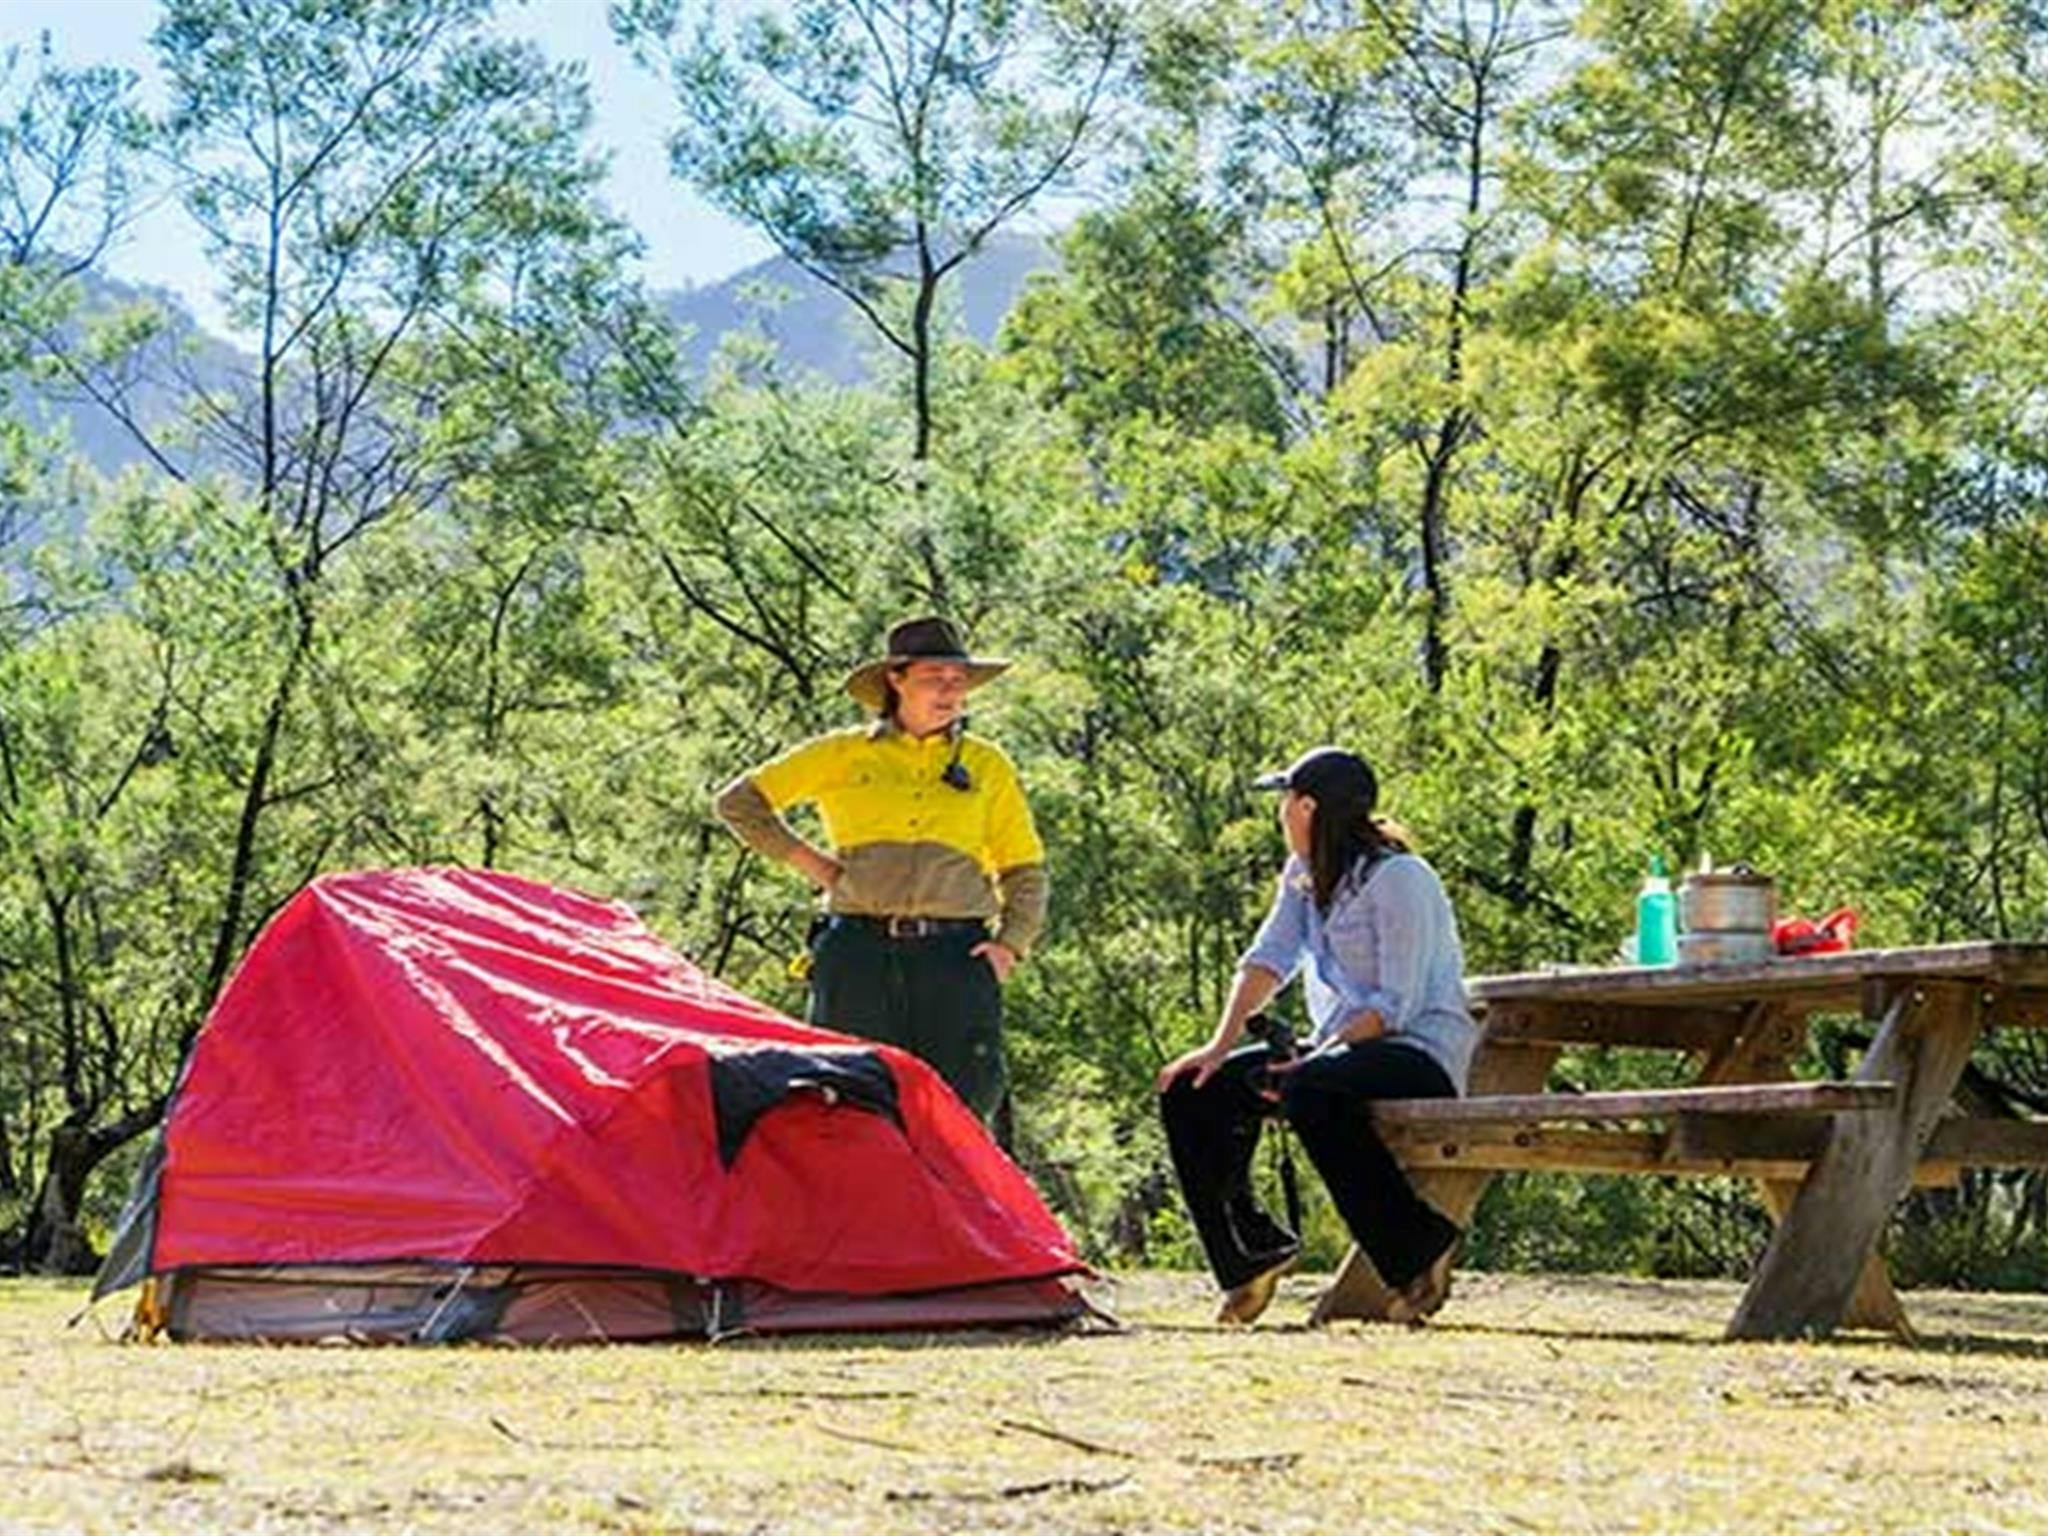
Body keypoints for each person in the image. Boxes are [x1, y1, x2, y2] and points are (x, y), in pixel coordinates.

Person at [1156, 746, 1477, 1327]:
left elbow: (1395, 1007)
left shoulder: (1400, 879)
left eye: (1284, 800)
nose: (1279, 813)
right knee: (1191, 1089)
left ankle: (1418, 1252)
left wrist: (1317, 1057)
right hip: (1342, 1054)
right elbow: (1268, 960)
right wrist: (1219, 1046)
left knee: (1311, 1089)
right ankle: (1250, 1257)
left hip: (1417, 1052)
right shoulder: (1303, 876)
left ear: (1306, 807)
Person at [714, 615, 1047, 1127]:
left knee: (957, 1114)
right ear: (897, 679)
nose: (950, 691)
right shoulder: (843, 753)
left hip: (956, 959)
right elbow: (738, 802)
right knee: (844, 1105)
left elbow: (1024, 869)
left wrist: (1009, 946)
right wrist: (820, 868)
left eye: (959, 680)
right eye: (935, 677)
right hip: (857, 957)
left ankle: (947, 1209)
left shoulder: (988, 765)